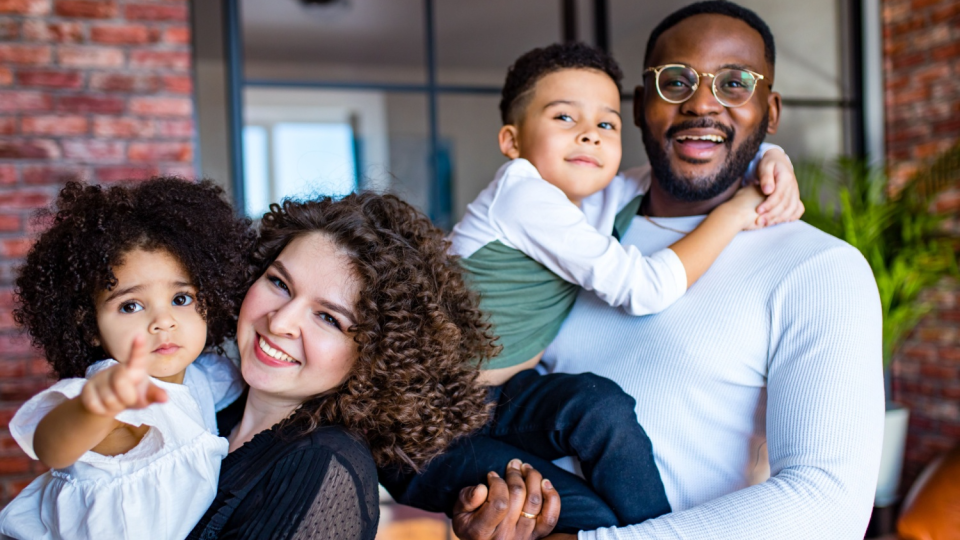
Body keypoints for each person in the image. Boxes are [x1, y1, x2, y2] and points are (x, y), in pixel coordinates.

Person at [452, 2, 884, 539]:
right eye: (674, 82)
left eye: (734, 84)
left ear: (770, 112)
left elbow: (829, 507)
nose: (701, 102)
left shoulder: (818, 269)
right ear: (638, 107)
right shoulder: (586, 215)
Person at [381, 42, 803, 533]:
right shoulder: (522, 193)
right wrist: (734, 213)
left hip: (495, 403)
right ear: (512, 142)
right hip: (423, 430)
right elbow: (646, 289)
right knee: (588, 515)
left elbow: (694, 165)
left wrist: (769, 155)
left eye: (606, 124)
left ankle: (651, 529)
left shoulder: (590, 202)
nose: (590, 135)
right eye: (564, 118)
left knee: (600, 408)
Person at [187, 193, 496, 539]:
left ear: (377, 357)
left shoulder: (320, 465)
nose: (280, 323)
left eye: (328, 318)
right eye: (279, 283)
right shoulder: (203, 400)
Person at [0, 179, 253, 539]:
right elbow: (52, 448)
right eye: (130, 305)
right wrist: (94, 407)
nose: (162, 321)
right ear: (89, 325)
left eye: (181, 299)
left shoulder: (206, 377)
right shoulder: (115, 389)